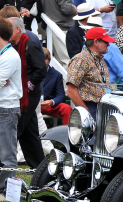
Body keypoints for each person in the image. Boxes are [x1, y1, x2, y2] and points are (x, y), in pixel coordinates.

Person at [9, 17, 46, 169]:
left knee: (17, 127)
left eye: (8, 28)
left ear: (17, 29)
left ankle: (5, 165)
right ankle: (39, 166)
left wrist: (27, 85)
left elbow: (41, 70)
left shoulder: (29, 44)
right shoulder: (16, 45)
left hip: (29, 94)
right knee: (29, 132)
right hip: (22, 93)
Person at [66, 27, 114, 120]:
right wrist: (87, 113)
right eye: (105, 41)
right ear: (96, 42)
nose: (108, 44)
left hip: (102, 106)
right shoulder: (81, 59)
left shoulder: (99, 58)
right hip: (90, 107)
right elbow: (71, 90)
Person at [40, 0, 77, 70]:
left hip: (52, 30)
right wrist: (74, 8)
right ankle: (67, 86)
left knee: (57, 60)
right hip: (61, 29)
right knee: (66, 60)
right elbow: (67, 9)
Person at [0, 17, 22, 190]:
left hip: (7, 109)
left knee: (7, 154)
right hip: (4, 107)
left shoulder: (10, 56)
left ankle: (7, 189)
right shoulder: (5, 54)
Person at [40, 47, 71, 125]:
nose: (43, 61)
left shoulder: (57, 75)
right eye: (40, 58)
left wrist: (51, 102)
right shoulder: (29, 72)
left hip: (50, 105)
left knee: (66, 108)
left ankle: (67, 134)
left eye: (45, 59)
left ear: (49, 60)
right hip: (34, 105)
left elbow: (61, 95)